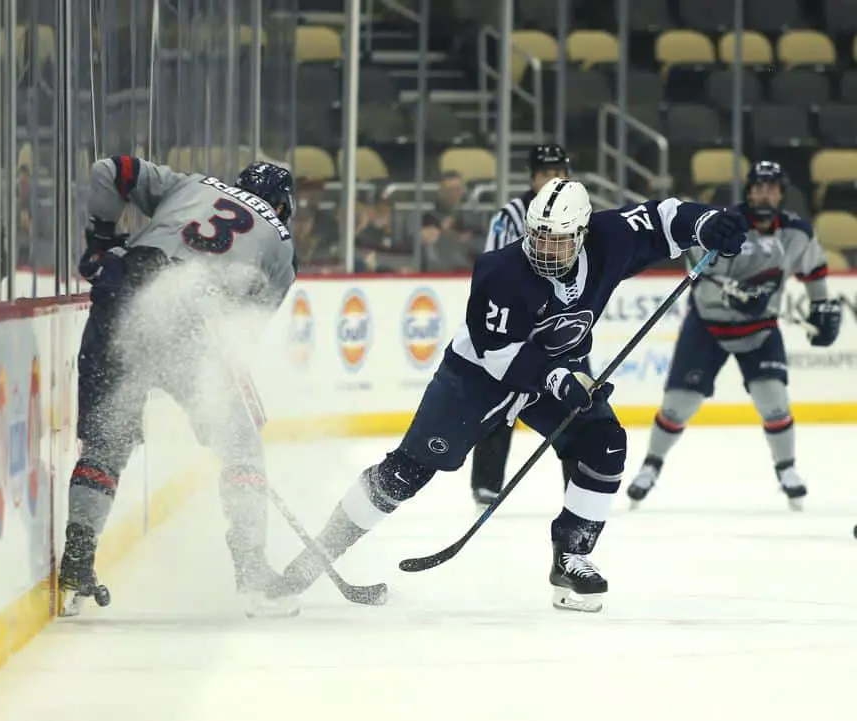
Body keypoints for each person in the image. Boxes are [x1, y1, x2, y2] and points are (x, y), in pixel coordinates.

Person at [265, 179, 748, 613]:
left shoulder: (610, 237)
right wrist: (562, 381)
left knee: (604, 444)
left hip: (559, 370)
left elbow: (665, 217)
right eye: (538, 236)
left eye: (557, 241)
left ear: (582, 235)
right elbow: (499, 354)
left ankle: (573, 556)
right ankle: (315, 556)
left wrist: (708, 223)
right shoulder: (501, 271)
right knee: (407, 472)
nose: (543, 249)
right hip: (477, 378)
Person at [59, 155, 298, 619]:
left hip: (123, 297)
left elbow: (111, 169)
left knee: (108, 441)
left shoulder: (192, 185)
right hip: (189, 323)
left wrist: (102, 239)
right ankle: (251, 573)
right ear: (284, 205)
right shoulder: (282, 244)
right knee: (242, 449)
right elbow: (240, 331)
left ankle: (77, 564)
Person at [625, 161, 841, 510]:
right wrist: (735, 296)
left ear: (781, 193)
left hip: (760, 330)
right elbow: (702, 278)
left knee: (774, 401)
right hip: (708, 327)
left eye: (772, 187)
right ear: (749, 191)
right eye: (758, 187)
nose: (765, 193)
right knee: (677, 406)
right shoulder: (724, 226)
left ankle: (787, 469)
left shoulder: (796, 232)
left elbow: (813, 269)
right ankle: (651, 465)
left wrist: (821, 307)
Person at [471, 144, 572, 509]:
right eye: (545, 172)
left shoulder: (578, 214)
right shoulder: (512, 214)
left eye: (559, 171)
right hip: (516, 326)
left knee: (576, 408)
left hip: (561, 327)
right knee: (501, 401)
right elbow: (495, 266)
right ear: (532, 177)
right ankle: (486, 483)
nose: (552, 179)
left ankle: (579, 485)